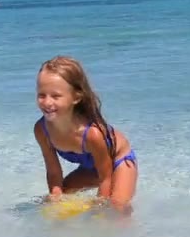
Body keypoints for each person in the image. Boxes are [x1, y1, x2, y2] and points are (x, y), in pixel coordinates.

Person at [33, 55, 138, 214]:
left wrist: (99, 209)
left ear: (76, 97)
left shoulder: (92, 134)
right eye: (42, 95)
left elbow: (105, 177)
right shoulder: (42, 130)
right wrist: (55, 198)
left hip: (118, 162)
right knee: (63, 192)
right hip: (93, 168)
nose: (47, 102)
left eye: (55, 96)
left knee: (116, 207)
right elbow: (54, 172)